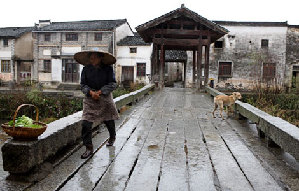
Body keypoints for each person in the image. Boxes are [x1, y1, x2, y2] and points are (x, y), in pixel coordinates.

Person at [74, 51, 119, 159]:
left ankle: (112, 136)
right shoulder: (85, 69)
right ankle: (89, 148)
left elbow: (113, 83)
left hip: (104, 96)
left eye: (95, 57)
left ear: (100, 58)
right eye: (91, 58)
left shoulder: (108, 69)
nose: (92, 60)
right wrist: (90, 92)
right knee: (86, 123)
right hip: (90, 98)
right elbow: (83, 85)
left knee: (109, 119)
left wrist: (100, 92)